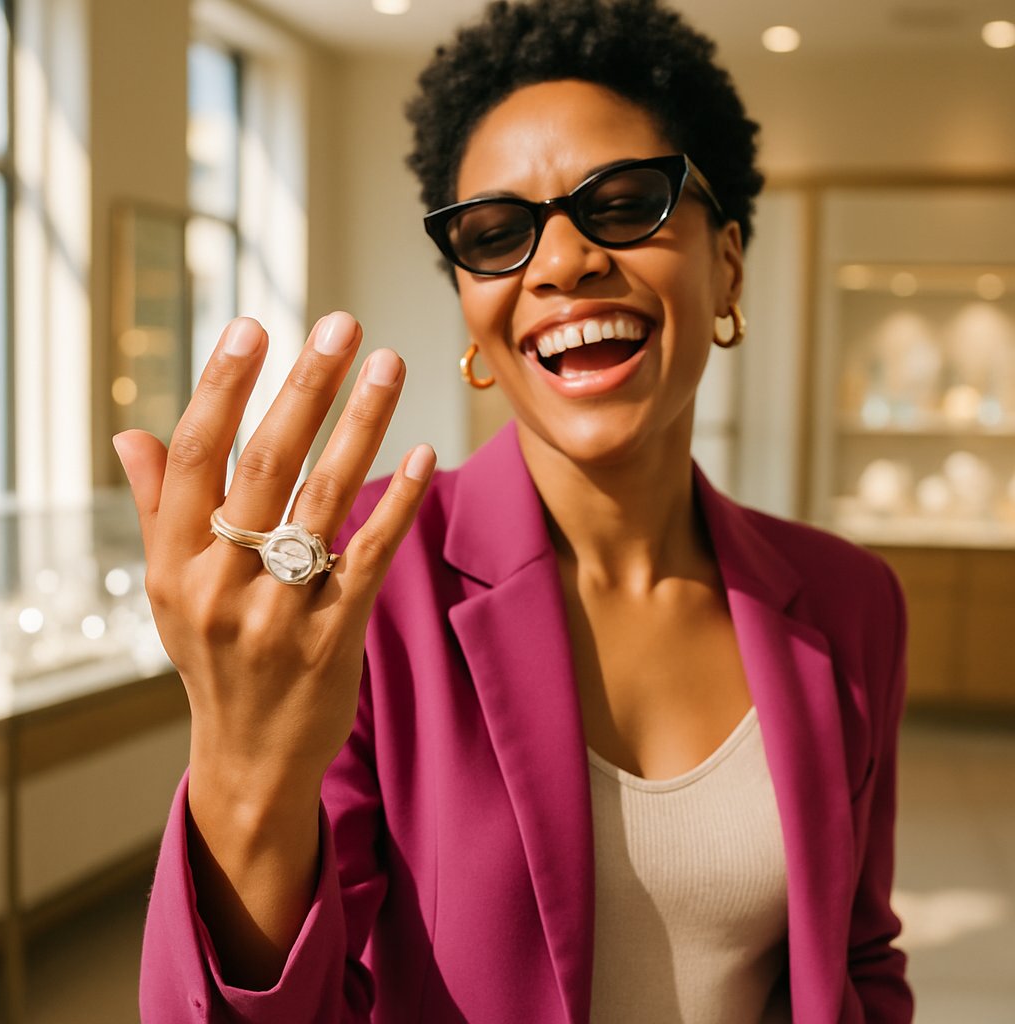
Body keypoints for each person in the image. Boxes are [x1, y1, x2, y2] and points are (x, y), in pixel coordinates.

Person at [122, 1, 913, 1021]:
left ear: (726, 263)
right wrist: (237, 767)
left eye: (625, 203)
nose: (560, 262)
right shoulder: (351, 579)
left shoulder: (851, 601)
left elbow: (858, 953)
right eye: (496, 233)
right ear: (470, 312)